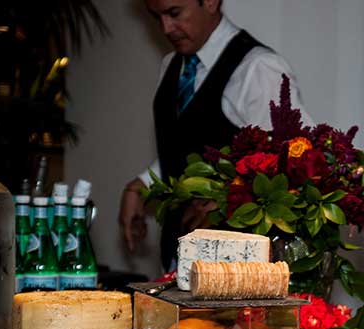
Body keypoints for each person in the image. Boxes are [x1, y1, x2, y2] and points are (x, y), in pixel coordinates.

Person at [118, 0, 312, 271]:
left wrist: (226, 200)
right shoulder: (171, 65)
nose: (165, 28)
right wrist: (140, 186)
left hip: (238, 271)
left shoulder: (259, 68)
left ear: (210, 1)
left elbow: (295, 166)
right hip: (179, 257)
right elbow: (185, 146)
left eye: (174, 13)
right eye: (156, 17)